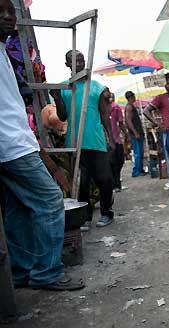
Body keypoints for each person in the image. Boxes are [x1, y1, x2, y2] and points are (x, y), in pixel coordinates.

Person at [0, 0, 83, 290]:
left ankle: (21, 271)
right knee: (49, 201)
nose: (10, 18)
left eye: (11, 11)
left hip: (14, 142)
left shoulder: (3, 52)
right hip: (11, 145)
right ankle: (47, 272)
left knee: (18, 208)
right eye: (2, 12)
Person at [50, 50, 114, 231]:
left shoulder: (96, 87)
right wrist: (56, 98)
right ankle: (85, 217)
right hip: (75, 142)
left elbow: (104, 115)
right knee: (82, 182)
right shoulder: (64, 88)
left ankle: (107, 212)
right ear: (67, 64)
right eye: (75, 61)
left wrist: (111, 137)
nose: (79, 63)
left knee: (104, 178)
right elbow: (62, 117)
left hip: (95, 139)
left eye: (81, 60)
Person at [124, 91, 146, 178]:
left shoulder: (131, 106)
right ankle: (136, 171)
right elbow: (128, 121)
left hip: (137, 132)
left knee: (140, 152)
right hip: (135, 133)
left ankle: (140, 169)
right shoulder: (129, 107)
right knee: (138, 153)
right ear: (131, 97)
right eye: (133, 96)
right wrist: (135, 132)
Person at [109, 93, 127, 191]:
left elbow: (121, 123)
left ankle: (116, 183)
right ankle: (116, 184)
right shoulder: (111, 108)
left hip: (115, 139)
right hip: (111, 140)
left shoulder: (116, 108)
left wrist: (126, 134)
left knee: (118, 162)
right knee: (115, 163)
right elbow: (121, 123)